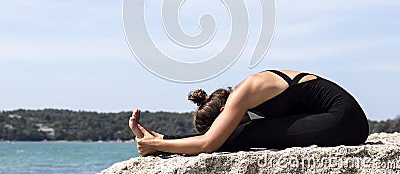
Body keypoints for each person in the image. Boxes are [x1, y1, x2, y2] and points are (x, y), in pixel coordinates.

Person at [129, 69, 369, 156]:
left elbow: (208, 144)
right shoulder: (250, 95)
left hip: (344, 120)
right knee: (246, 133)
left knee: (244, 134)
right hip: (344, 120)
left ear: (224, 112)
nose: (228, 126)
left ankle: (157, 141)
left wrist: (160, 145)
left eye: (223, 123)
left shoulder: (242, 94)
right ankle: (159, 139)